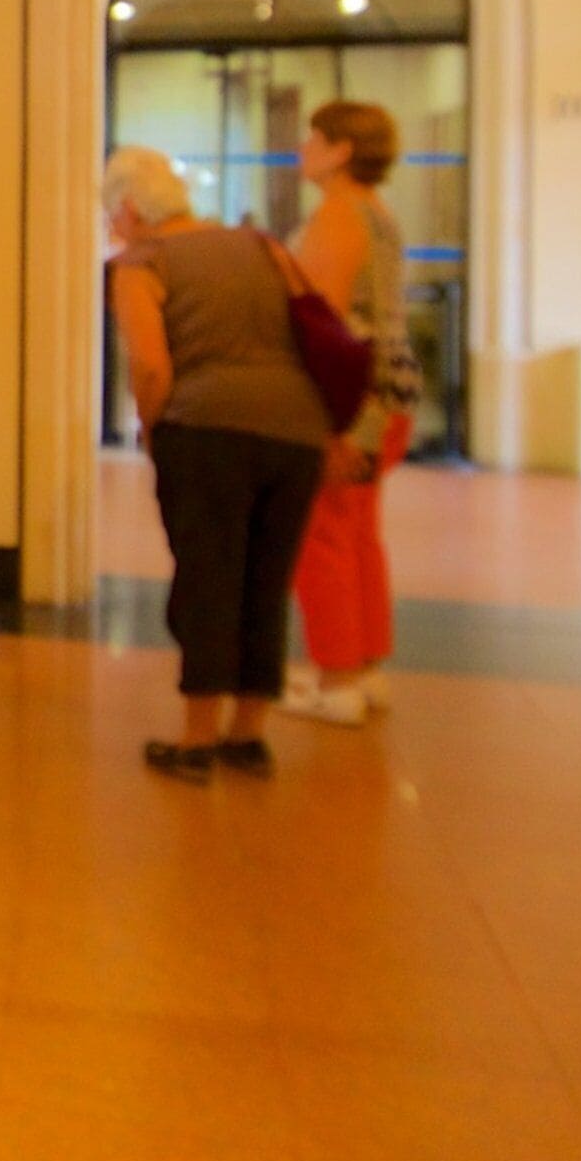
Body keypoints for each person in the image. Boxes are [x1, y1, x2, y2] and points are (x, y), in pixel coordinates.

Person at [105, 146, 329, 778]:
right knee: (266, 579)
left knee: (208, 579)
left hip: (206, 432)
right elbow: (315, 323)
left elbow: (151, 365)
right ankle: (247, 734)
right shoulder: (262, 246)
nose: (113, 228)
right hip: (296, 432)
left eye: (111, 215)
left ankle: (197, 739)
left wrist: (151, 429)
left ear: (128, 208)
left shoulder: (141, 263)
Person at [281, 102, 425, 725]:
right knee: (359, 533)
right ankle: (364, 669)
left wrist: (330, 422)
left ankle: (336, 678)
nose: (302, 148)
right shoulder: (380, 214)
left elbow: (325, 326)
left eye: (313, 138)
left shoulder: (338, 215)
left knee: (322, 536)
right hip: (389, 396)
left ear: (340, 150)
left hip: (352, 401)